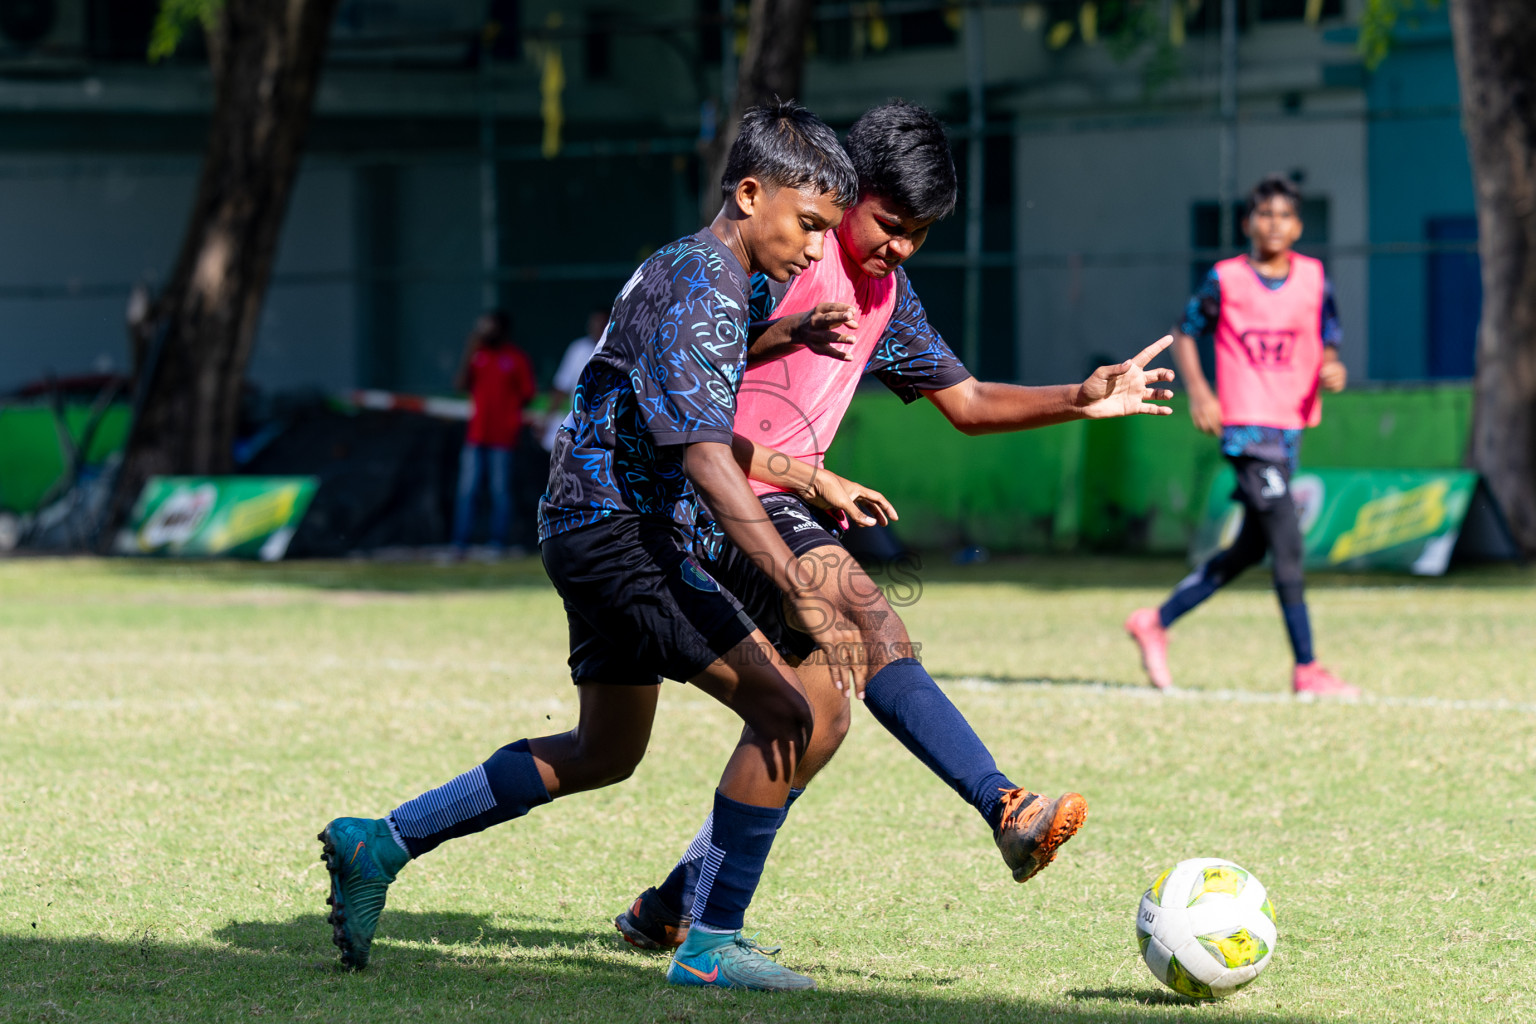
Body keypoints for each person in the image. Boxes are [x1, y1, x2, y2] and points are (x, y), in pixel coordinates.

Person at [318, 100, 871, 992]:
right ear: (748, 192)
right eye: (807, 225)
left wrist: (790, 385)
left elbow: (670, 391)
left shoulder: (701, 274)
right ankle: (710, 945)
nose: (814, 250)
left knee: (604, 751)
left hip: (585, 525)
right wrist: (797, 585)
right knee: (787, 714)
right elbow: (702, 457)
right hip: (623, 535)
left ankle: (379, 843)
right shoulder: (710, 285)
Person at [613, 101, 1177, 953]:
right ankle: (1004, 805)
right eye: (889, 224)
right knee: (871, 623)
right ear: (848, 194)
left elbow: (971, 402)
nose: (899, 246)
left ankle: (674, 903)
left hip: (783, 502)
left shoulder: (889, 293)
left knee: (813, 718)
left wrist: (1079, 397)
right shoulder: (776, 256)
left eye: (919, 233)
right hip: (720, 494)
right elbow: (691, 395)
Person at [1124, 174, 1359, 698]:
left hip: (1291, 425)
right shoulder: (1226, 278)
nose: (1274, 224)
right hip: (1247, 428)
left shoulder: (1316, 279)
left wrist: (1335, 368)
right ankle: (1308, 669)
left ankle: (1155, 621)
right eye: (1264, 214)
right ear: (1247, 222)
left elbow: (1331, 340)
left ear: (1298, 226)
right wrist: (1201, 393)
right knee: (1288, 540)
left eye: (1284, 216)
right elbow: (1185, 331)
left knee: (1253, 547)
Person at [451, 310, 537, 555]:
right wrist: (469, 350)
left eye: (489, 327)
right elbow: (459, 385)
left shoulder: (517, 359)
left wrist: (509, 416)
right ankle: (460, 543)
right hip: (476, 435)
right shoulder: (477, 355)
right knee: (467, 490)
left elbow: (527, 394)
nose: (484, 332)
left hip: (503, 437)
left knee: (500, 491)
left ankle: (497, 543)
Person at [540, 307, 609, 453]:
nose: (596, 328)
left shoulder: (619, 349)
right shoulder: (578, 349)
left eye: (601, 324)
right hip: (581, 427)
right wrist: (546, 420)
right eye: (594, 324)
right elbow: (561, 387)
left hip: (609, 425)